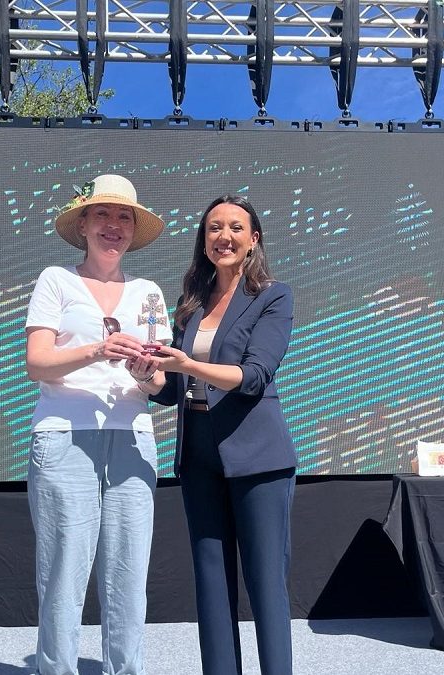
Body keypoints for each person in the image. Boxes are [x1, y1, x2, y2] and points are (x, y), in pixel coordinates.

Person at [24, 174, 171, 675]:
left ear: (133, 230)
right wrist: (97, 349)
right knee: (64, 573)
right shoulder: (56, 280)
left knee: (128, 576)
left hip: (132, 438)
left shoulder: (149, 292)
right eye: (103, 215)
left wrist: (147, 373)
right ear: (83, 223)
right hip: (64, 437)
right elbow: (37, 363)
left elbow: (159, 383)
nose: (114, 225)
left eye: (124, 216)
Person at [144, 194, 297, 675]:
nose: (223, 237)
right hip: (198, 452)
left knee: (265, 582)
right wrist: (142, 371)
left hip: (258, 456)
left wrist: (189, 363)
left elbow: (254, 377)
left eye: (234, 227)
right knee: (211, 580)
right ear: (203, 239)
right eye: (213, 228)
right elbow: (171, 390)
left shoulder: (273, 296)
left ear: (253, 239)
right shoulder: (190, 302)